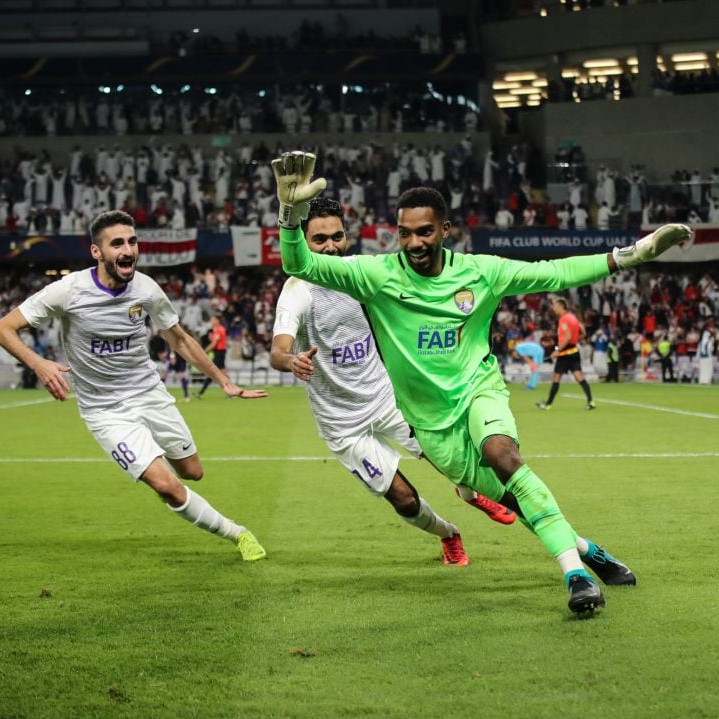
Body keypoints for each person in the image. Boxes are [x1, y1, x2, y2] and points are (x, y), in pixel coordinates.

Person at [272, 150, 691, 615]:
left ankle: (575, 576)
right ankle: (588, 551)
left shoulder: (481, 272)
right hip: (430, 424)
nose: (414, 242)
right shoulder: (375, 276)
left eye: (425, 231)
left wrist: (632, 255)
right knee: (510, 495)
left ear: (445, 230)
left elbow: (553, 272)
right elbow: (299, 265)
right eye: (405, 233)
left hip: (478, 391)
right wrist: (290, 216)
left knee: (502, 454)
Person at [0, 209, 269, 562]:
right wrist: (39, 363)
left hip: (150, 395)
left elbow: (179, 339)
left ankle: (158, 466)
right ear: (97, 252)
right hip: (105, 411)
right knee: (167, 485)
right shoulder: (68, 291)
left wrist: (224, 381)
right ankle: (238, 533)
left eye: (132, 242)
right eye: (117, 243)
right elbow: (2, 329)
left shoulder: (146, 289)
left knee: (192, 473)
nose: (128, 250)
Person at [270, 198, 515, 568]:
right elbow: (277, 349)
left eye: (337, 236)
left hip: (387, 398)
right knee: (403, 499)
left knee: (446, 454)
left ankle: (472, 491)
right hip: (342, 423)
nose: (331, 246)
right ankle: (448, 534)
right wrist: (290, 359)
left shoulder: (360, 272)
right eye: (319, 240)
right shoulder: (298, 291)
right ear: (303, 243)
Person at [536, 297, 594, 411]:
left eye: (555, 306)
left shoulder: (564, 319)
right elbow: (583, 332)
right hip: (574, 352)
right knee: (579, 377)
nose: (553, 308)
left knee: (556, 378)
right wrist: (575, 340)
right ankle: (591, 401)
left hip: (564, 354)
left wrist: (557, 350)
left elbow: (567, 337)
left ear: (561, 306)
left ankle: (548, 404)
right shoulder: (573, 318)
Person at [195, 314, 227, 398]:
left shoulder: (220, 329)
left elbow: (214, 344)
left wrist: (204, 352)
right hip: (219, 353)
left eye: (213, 320)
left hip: (220, 352)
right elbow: (214, 341)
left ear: (217, 321)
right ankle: (231, 391)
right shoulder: (216, 330)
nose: (211, 322)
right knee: (222, 373)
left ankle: (201, 392)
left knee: (212, 372)